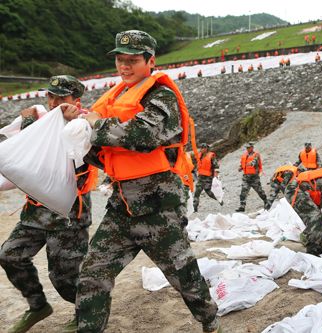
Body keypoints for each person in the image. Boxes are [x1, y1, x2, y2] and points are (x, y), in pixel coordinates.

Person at [67, 30, 221, 333]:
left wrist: (93, 124)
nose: (125, 66)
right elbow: (103, 153)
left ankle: (210, 320)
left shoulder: (160, 96)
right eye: (120, 60)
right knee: (93, 274)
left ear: (151, 61)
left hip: (159, 208)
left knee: (184, 277)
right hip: (122, 207)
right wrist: (75, 124)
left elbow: (143, 136)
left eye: (133, 61)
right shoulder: (116, 96)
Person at [0, 75, 97, 333]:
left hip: (69, 214)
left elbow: (76, 158)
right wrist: (29, 124)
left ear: (76, 100)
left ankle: (87, 315)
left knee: (64, 276)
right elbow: (25, 158)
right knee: (9, 255)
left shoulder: (83, 125)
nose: (54, 102)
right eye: (51, 96)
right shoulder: (42, 123)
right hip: (35, 211)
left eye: (61, 97)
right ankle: (38, 306)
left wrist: (68, 120)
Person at [237, 142, 268, 212]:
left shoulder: (256, 155)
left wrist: (252, 163)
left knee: (260, 191)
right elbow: (242, 164)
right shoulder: (244, 155)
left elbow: (255, 162)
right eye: (247, 148)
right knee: (243, 192)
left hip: (254, 177)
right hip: (246, 177)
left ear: (252, 147)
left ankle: (266, 201)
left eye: (249, 148)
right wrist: (240, 168)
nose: (247, 149)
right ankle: (242, 206)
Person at [193, 143, 222, 213]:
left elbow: (216, 166)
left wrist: (216, 176)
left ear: (206, 148)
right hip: (200, 177)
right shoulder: (199, 155)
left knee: (208, 192)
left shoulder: (211, 156)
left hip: (208, 177)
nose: (202, 149)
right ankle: (195, 209)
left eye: (204, 148)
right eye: (201, 147)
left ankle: (219, 200)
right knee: (197, 193)